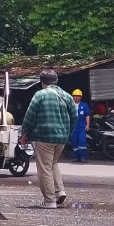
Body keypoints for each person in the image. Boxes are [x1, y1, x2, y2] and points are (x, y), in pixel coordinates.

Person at [20, 69, 77, 209]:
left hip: (44, 137)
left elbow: (30, 115)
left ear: (42, 82)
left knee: (45, 168)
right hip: (61, 138)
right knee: (53, 163)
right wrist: (67, 132)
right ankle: (60, 191)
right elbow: (74, 116)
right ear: (56, 80)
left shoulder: (40, 95)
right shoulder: (67, 96)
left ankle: (50, 201)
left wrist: (24, 132)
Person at [70, 89, 90, 162]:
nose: (77, 97)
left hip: (82, 126)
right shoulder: (70, 105)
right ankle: (76, 157)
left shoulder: (84, 105)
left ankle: (83, 157)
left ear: (81, 97)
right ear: (73, 97)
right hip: (73, 127)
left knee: (82, 142)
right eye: (75, 96)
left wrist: (88, 125)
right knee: (74, 142)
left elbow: (87, 115)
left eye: (78, 96)